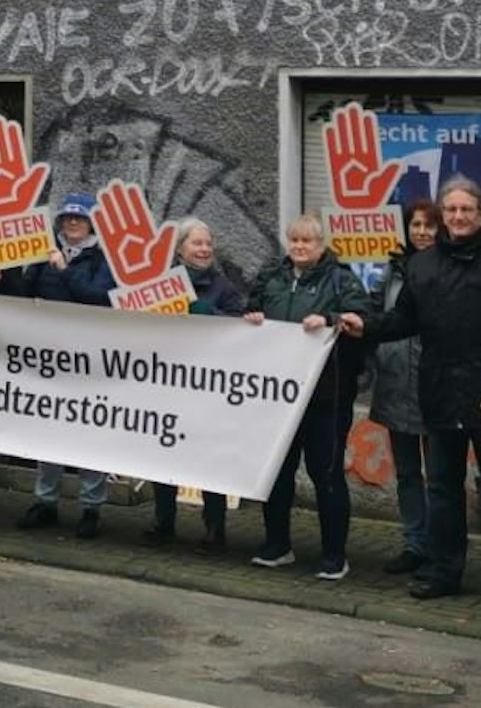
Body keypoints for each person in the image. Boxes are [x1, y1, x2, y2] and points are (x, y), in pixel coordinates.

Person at [341, 175, 481, 612]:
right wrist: (366, 326)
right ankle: (442, 573)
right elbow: (403, 319)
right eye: (451, 210)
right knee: (443, 490)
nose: (458, 217)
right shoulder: (422, 266)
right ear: (444, 216)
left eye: (467, 209)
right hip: (439, 394)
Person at [244, 214, 370, 580]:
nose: (300, 247)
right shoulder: (272, 277)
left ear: (321, 245)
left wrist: (330, 318)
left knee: (326, 473)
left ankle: (334, 554)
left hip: (325, 398)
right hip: (277, 398)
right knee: (278, 472)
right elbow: (251, 308)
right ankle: (277, 545)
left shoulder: (341, 279)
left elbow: (361, 318)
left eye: (307, 242)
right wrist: (250, 318)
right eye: (294, 240)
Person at [8, 193, 117, 539]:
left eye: (79, 219)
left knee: (88, 431)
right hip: (50, 357)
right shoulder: (43, 253)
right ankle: (46, 501)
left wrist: (64, 271)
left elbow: (100, 298)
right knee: (49, 430)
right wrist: (2, 276)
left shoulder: (102, 260)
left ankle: (91, 507)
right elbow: (24, 296)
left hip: (88, 360)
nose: (72, 224)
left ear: (90, 224)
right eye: (68, 219)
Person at [146, 216, 246, 552]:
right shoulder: (161, 284)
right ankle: (164, 522)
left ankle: (214, 529)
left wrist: (208, 314)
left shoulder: (224, 286)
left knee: (208, 458)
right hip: (168, 384)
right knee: (164, 454)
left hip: (206, 388)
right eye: (197, 243)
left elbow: (240, 326)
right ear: (179, 249)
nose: (204, 249)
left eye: (208, 244)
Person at [368, 198, 437, 576]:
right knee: (408, 473)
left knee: (441, 477)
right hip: (396, 383)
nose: (422, 232)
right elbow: (376, 316)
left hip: (436, 384)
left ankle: (441, 547)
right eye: (416, 225)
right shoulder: (391, 272)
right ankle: (415, 544)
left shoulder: (450, 269)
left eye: (429, 226)